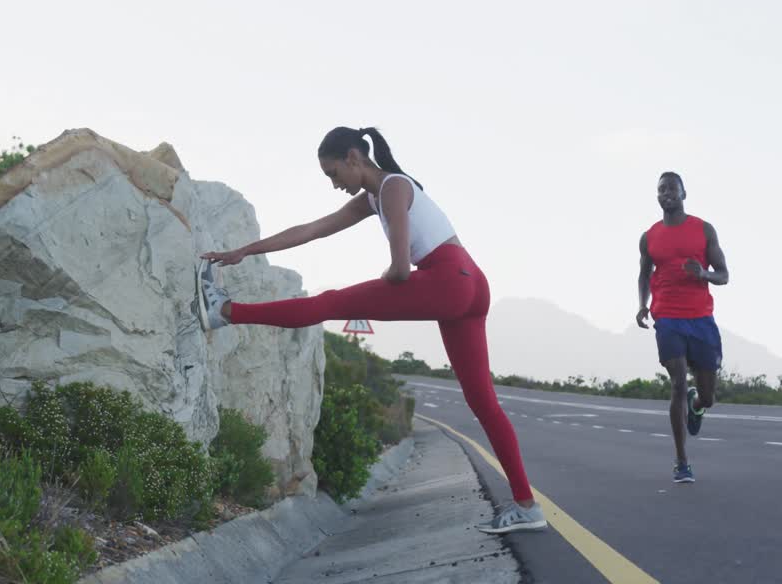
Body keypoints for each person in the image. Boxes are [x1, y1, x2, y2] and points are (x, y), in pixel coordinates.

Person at [197, 126, 546, 534]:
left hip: (448, 279)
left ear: (353, 158)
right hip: (471, 283)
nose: (334, 184)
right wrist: (245, 251)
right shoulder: (376, 196)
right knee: (484, 403)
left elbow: (399, 270)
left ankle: (223, 311)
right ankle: (526, 506)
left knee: (329, 302)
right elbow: (313, 229)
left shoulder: (394, 188)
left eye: (334, 174)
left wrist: (385, 277)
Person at [636, 171, 729, 484]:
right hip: (667, 317)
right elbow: (644, 274)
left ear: (684, 193)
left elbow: (724, 275)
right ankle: (681, 461)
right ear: (657, 195)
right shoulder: (649, 236)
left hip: (701, 318)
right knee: (677, 382)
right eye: (661, 189)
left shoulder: (703, 230)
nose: (667, 193)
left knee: (708, 396)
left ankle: (697, 405)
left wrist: (703, 273)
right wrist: (642, 304)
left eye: (672, 188)